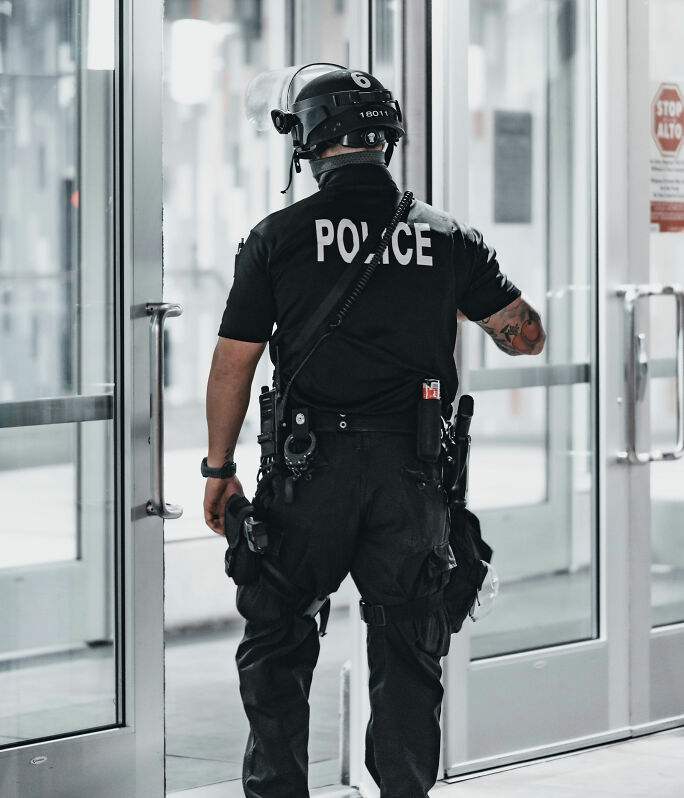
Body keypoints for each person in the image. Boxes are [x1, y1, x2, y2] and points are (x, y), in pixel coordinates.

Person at [202, 66, 546, 798]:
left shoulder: (277, 237)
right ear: (388, 140)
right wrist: (446, 305)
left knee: (277, 643)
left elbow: (235, 363)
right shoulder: (448, 239)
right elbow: (526, 336)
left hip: (308, 473)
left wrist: (218, 468)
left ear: (308, 142)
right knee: (408, 653)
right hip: (411, 477)